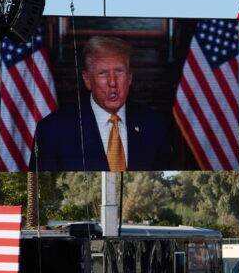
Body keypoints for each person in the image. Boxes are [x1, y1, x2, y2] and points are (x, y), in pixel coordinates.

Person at [31, 36, 172, 172]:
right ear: (87, 79)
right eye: (102, 73)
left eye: (119, 71)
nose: (112, 82)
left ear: (129, 77)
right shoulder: (53, 130)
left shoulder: (155, 124)